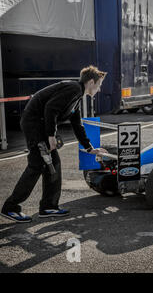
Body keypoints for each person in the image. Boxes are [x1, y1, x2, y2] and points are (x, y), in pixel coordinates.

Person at [1, 66, 108, 223]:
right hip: (34, 124)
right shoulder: (73, 89)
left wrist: (90, 148)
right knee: (36, 165)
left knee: (54, 165)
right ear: (91, 82)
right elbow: (50, 108)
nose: (99, 89)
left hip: (41, 126)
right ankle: (10, 207)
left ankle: (48, 206)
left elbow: (77, 125)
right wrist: (51, 135)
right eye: (99, 84)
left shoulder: (76, 97)